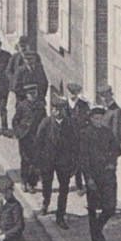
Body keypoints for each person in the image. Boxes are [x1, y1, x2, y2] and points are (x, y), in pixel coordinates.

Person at [79, 106, 121, 241]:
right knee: (92, 208)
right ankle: (96, 239)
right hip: (93, 176)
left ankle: (97, 229)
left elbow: (116, 150)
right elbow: (83, 159)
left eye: (100, 118)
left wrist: (112, 164)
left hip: (108, 175)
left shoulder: (107, 133)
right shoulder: (85, 134)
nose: (98, 121)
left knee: (110, 208)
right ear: (91, 119)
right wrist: (88, 179)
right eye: (96, 118)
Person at [33, 97, 77, 229]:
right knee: (47, 184)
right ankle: (45, 204)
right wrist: (37, 163)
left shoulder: (69, 125)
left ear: (63, 110)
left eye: (57, 109)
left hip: (64, 162)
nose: (54, 111)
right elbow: (38, 143)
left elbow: (75, 146)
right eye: (53, 108)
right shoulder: (46, 123)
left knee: (64, 189)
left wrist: (74, 164)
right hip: (48, 161)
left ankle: (60, 215)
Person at [11, 83, 47, 193]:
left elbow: (44, 121)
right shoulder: (22, 106)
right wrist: (18, 132)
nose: (33, 96)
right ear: (27, 95)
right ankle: (24, 181)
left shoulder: (40, 106)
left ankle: (32, 184)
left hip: (37, 138)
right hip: (25, 138)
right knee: (25, 160)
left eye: (34, 93)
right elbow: (15, 120)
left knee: (36, 162)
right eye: (31, 94)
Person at [63, 83, 91, 195]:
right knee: (70, 161)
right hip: (68, 139)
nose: (73, 95)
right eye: (71, 93)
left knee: (81, 161)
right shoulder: (64, 105)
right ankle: (68, 182)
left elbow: (87, 121)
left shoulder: (83, 105)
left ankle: (80, 185)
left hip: (80, 138)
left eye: (75, 93)